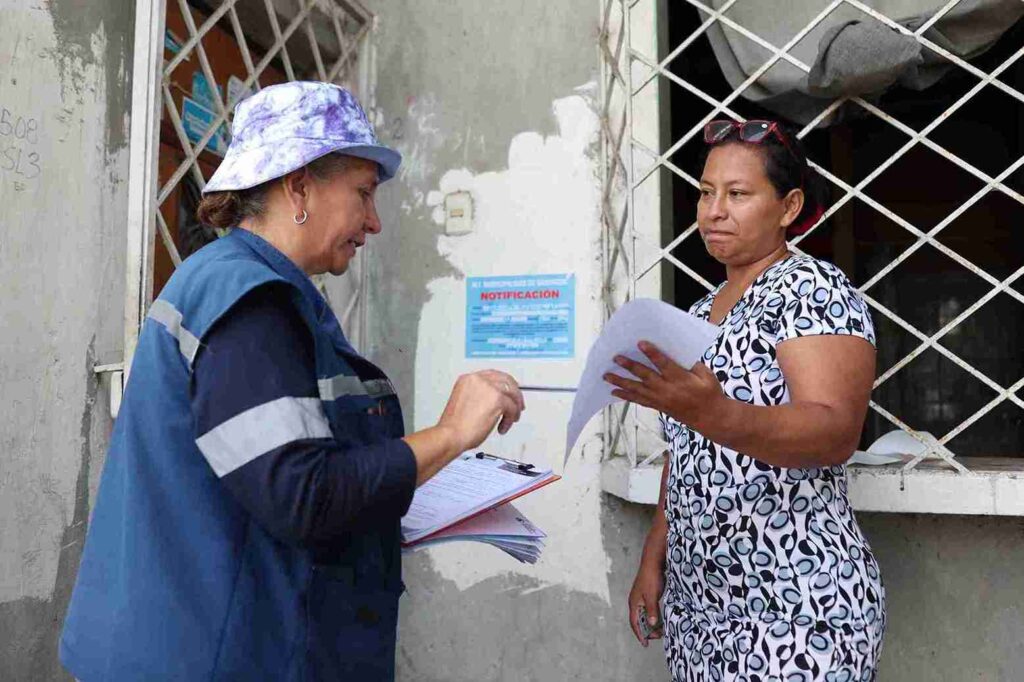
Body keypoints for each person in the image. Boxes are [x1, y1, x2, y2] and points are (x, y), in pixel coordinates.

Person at [60, 81, 525, 681]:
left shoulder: (239, 285)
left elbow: (282, 474)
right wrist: (453, 434)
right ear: (298, 184)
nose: (374, 222)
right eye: (363, 193)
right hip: (207, 658)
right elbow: (303, 496)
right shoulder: (249, 301)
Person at [610, 120, 885, 681]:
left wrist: (719, 414)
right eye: (706, 192)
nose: (713, 211)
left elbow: (834, 433)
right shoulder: (698, 311)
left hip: (797, 604)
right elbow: (683, 452)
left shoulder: (812, 289)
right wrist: (654, 554)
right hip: (703, 608)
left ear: (788, 207)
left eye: (737, 194)